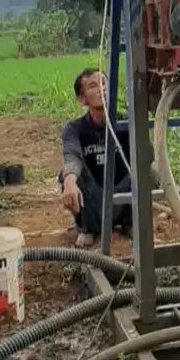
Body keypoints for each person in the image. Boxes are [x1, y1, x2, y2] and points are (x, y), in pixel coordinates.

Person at [59, 68, 132, 248]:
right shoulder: (74, 129)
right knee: (69, 176)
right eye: (93, 85)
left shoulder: (127, 121)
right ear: (82, 99)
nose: (102, 89)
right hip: (94, 197)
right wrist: (69, 181)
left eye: (104, 83)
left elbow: (148, 155)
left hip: (123, 193)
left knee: (148, 169)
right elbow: (72, 156)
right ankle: (88, 228)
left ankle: (129, 222)